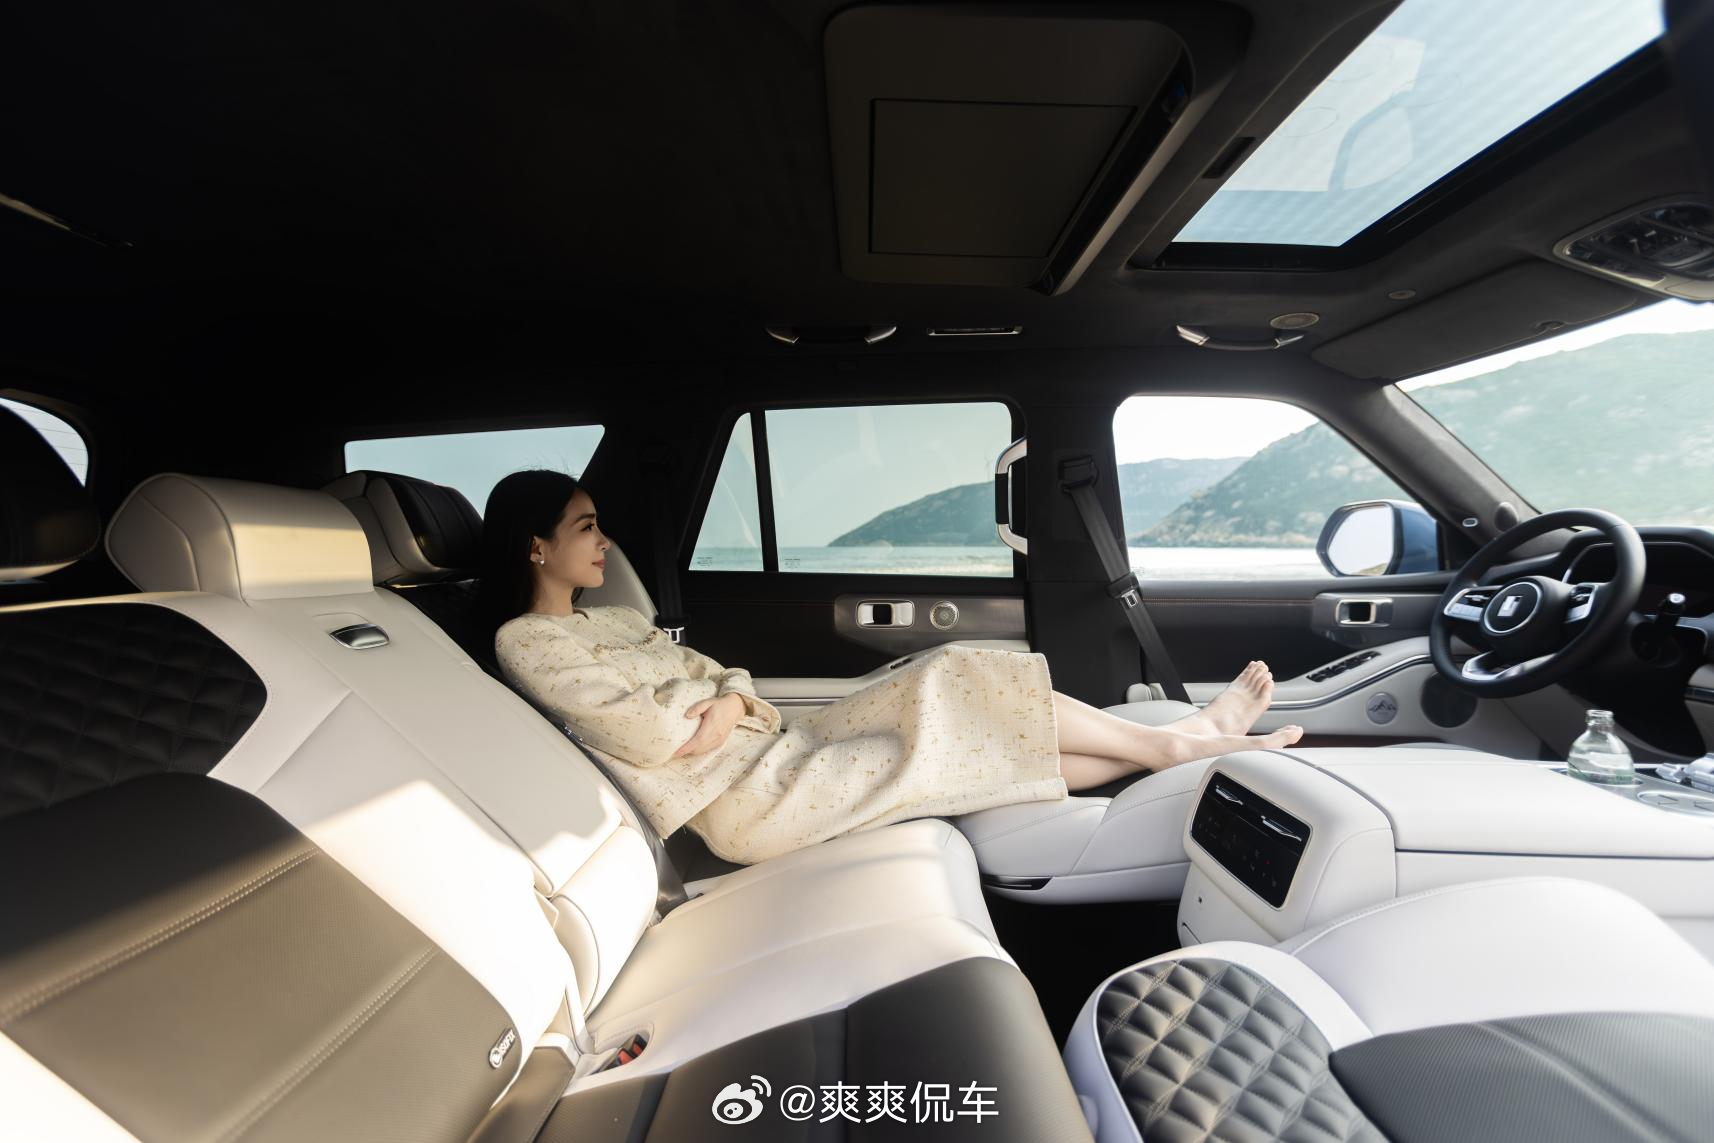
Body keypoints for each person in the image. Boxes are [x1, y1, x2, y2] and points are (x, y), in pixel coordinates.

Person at [482, 470, 1303, 865]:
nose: (605, 541)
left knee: (953, 675)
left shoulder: (615, 619)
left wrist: (727, 700)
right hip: (746, 800)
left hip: (777, 748)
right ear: (536, 546)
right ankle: (1178, 743)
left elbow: (724, 673)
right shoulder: (526, 641)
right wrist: (724, 702)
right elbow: (659, 734)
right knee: (950, 701)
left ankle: (1177, 742)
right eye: (586, 527)